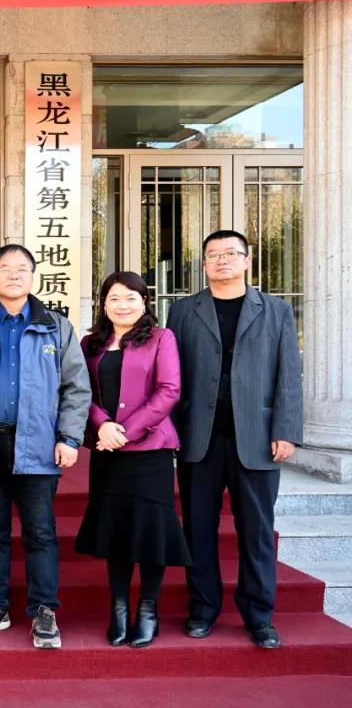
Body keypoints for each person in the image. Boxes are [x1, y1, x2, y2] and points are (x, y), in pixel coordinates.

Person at [167, 229, 303, 649]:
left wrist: (286, 430)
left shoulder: (276, 310)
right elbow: (172, 375)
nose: (222, 260)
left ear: (247, 260)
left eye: (230, 253)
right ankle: (203, 609)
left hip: (258, 439)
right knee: (198, 530)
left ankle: (259, 616)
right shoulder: (184, 311)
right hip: (199, 437)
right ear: (204, 264)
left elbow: (289, 374)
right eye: (213, 254)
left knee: (257, 532)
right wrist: (170, 431)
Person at [0, 244, 89, 650]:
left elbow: (76, 387)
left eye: (22, 269)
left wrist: (69, 437)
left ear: (33, 276)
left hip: (39, 444)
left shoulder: (56, 327)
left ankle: (44, 609)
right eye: (5, 268)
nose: (14, 275)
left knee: (40, 532)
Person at [74, 271, 192, 648]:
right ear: (103, 304)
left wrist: (125, 430)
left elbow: (169, 390)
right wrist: (102, 425)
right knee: (117, 529)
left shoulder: (161, 338)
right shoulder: (90, 344)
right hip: (106, 451)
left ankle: (148, 609)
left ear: (144, 303)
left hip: (149, 451)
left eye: (131, 298)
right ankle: (119, 608)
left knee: (151, 531)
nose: (122, 305)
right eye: (114, 298)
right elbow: (79, 391)